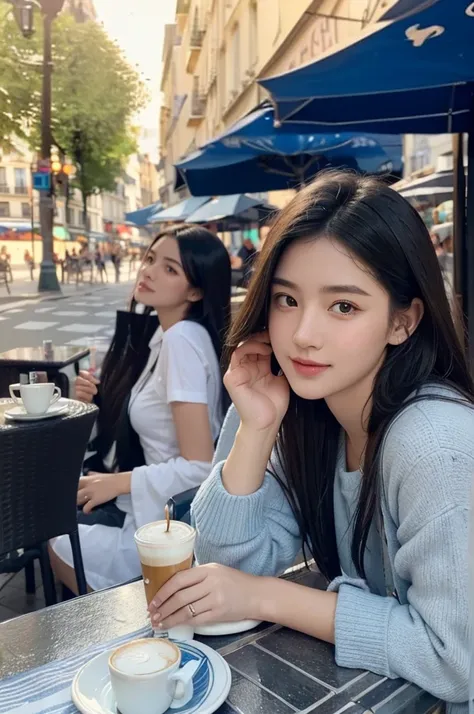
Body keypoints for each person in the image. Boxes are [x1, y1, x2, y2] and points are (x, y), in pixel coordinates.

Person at [148, 171, 473, 712]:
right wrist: (255, 427)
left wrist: (269, 598)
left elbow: (454, 658)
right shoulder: (301, 409)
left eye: (343, 306)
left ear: (403, 321)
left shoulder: (434, 444)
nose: (302, 334)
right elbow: (230, 563)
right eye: (286, 300)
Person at [49, 225, 231, 593]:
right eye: (150, 259)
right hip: (151, 507)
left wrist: (116, 482)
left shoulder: (181, 340)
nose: (147, 271)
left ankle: (123, 628)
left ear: (195, 290)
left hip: (167, 523)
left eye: (169, 269)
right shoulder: (166, 335)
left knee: (53, 538)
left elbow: (200, 466)